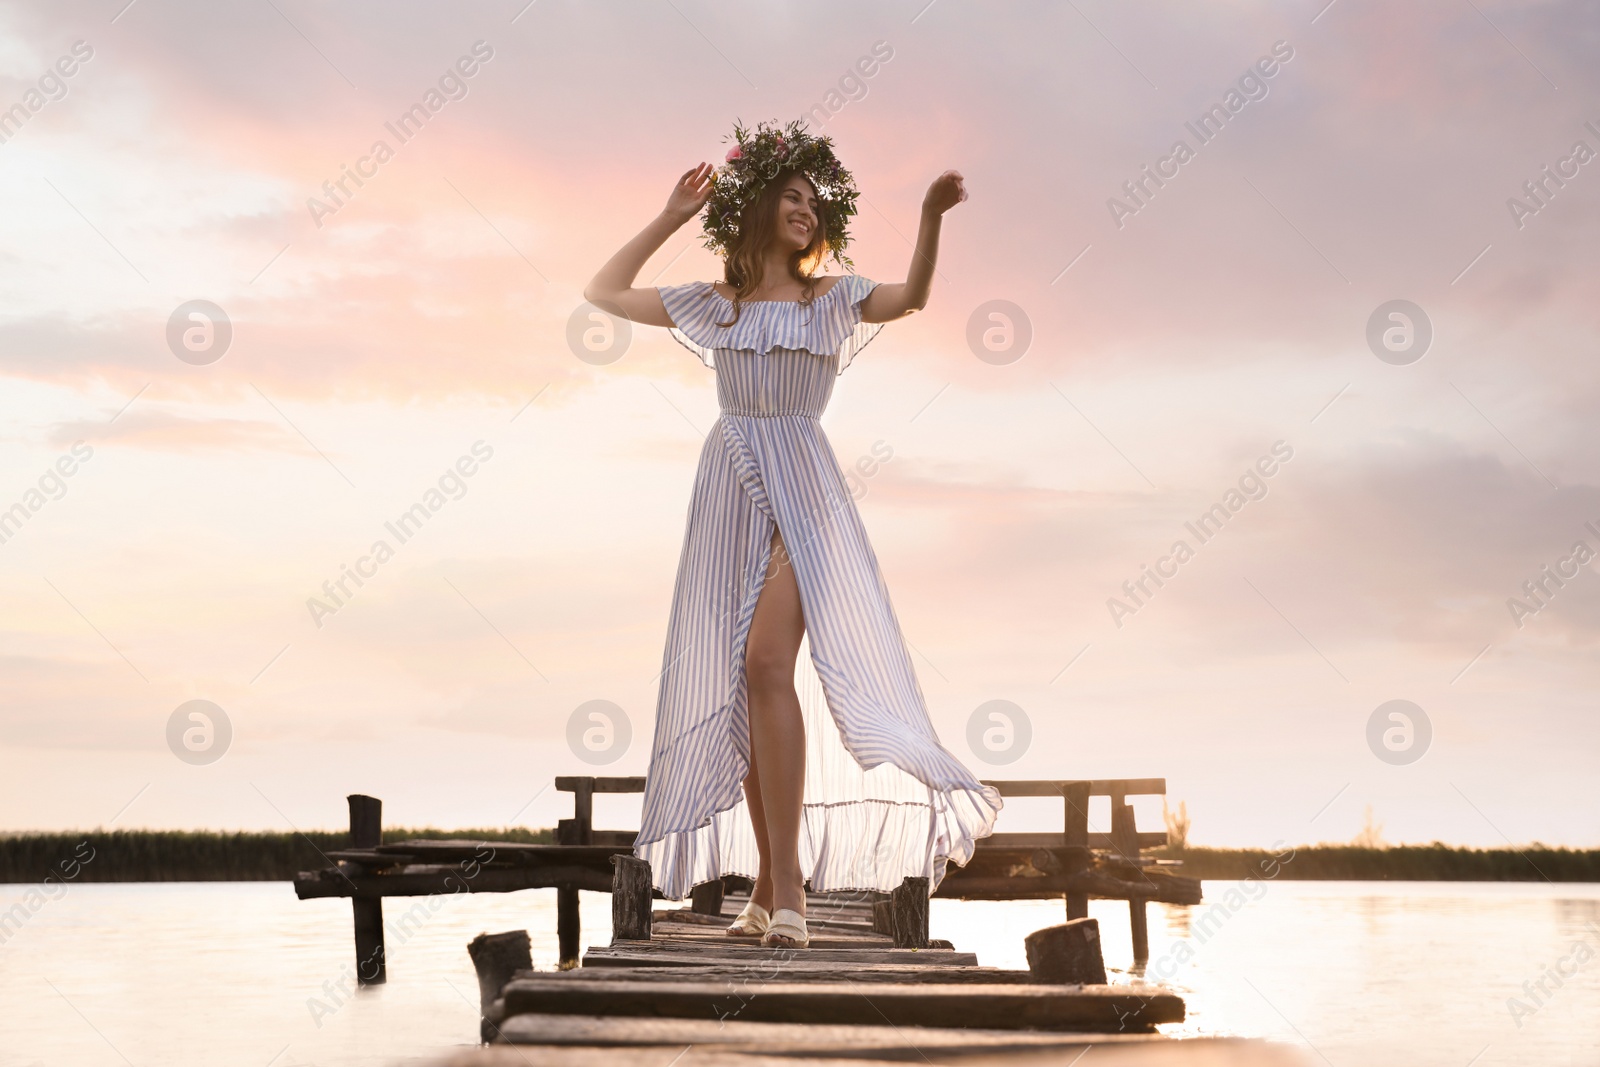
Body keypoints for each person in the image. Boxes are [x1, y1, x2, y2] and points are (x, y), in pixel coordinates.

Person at [584, 119, 1002, 949]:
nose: (806, 209)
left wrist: (930, 215)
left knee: (769, 660)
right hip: (730, 484)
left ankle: (793, 894)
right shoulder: (719, 305)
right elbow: (601, 291)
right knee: (741, 681)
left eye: (815, 200)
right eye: (791, 195)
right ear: (760, 206)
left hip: (803, 489)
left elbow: (912, 296)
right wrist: (671, 216)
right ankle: (769, 886)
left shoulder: (831, 298)